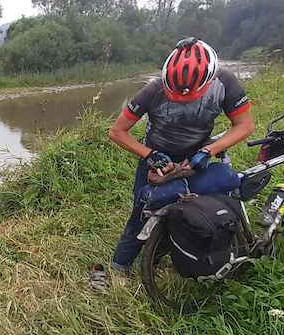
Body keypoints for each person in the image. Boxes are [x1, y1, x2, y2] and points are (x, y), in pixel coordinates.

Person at [107, 37, 256, 276]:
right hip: (156, 158)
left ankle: (171, 251)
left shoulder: (225, 83)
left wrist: (209, 151)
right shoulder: (153, 90)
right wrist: (150, 155)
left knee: (195, 209)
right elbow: (117, 132)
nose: (183, 99)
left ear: (209, 79)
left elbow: (245, 125)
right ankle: (119, 267)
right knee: (141, 212)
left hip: (196, 157)